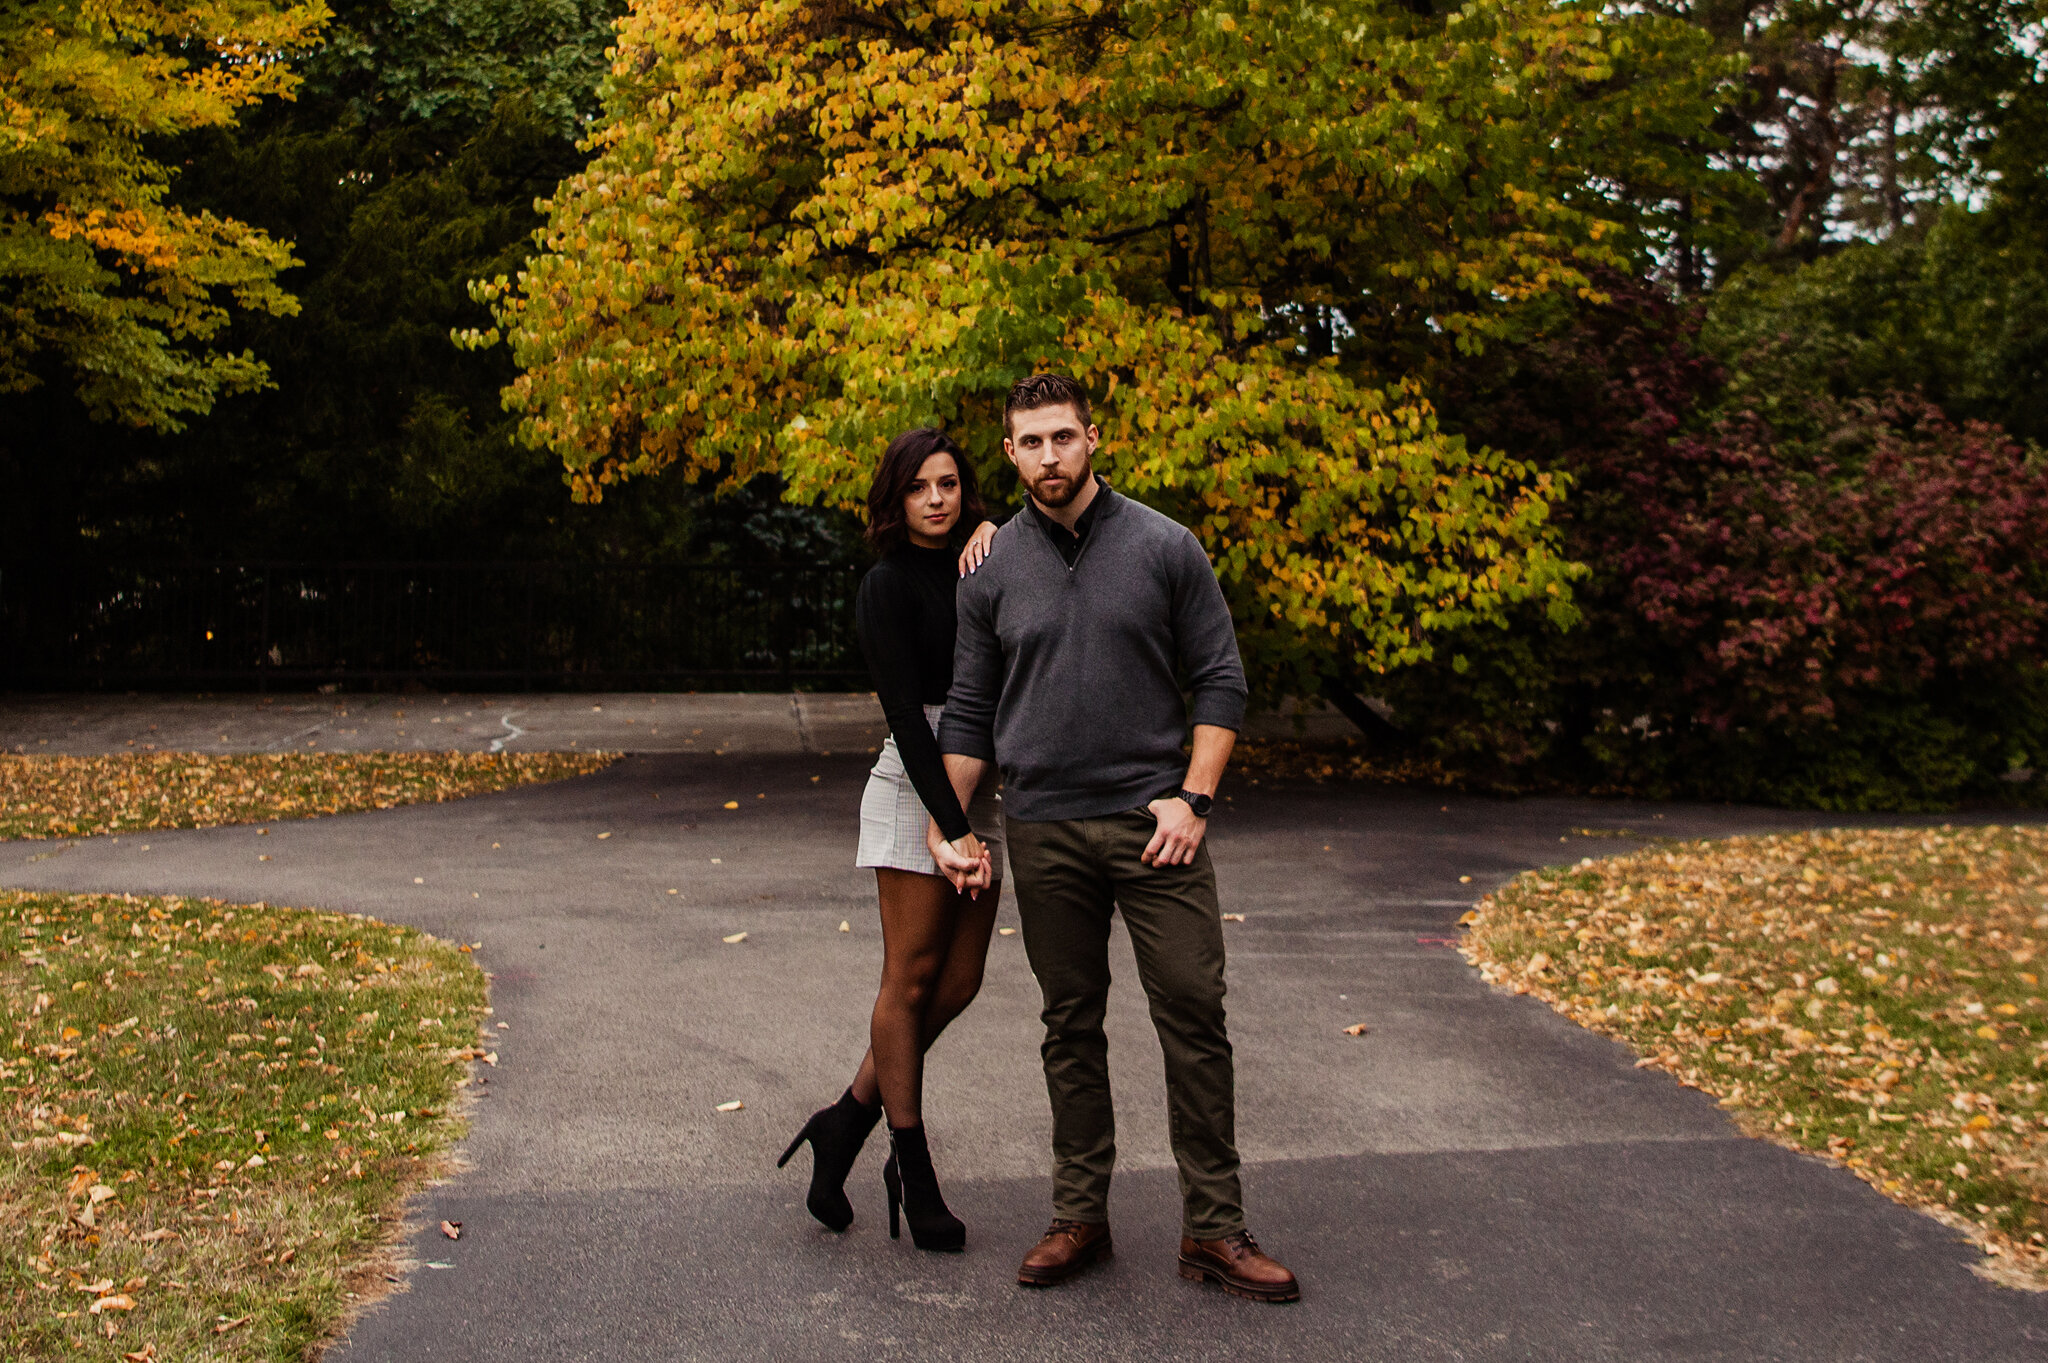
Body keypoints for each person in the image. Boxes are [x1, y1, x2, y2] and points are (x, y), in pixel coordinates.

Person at [927, 374, 1300, 1302]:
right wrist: (946, 822)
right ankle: (1077, 1215)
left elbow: (1221, 679)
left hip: (1154, 826)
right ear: (1008, 455)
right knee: (1070, 1025)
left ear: (1094, 438)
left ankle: (1214, 1228)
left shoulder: (1166, 546)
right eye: (1030, 442)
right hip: (1044, 827)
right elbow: (971, 711)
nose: (1049, 456)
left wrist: (1193, 800)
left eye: (1063, 436)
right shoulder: (992, 569)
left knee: (1192, 1014)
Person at [778, 427, 1002, 1252]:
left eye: (949, 485)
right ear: (895, 499)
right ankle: (912, 1165)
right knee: (907, 981)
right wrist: (950, 823)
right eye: (919, 488)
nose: (937, 500)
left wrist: (999, 532)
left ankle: (843, 1122)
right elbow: (907, 717)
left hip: (986, 775)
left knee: (961, 981)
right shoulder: (885, 586)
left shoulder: (985, 558)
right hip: (919, 785)